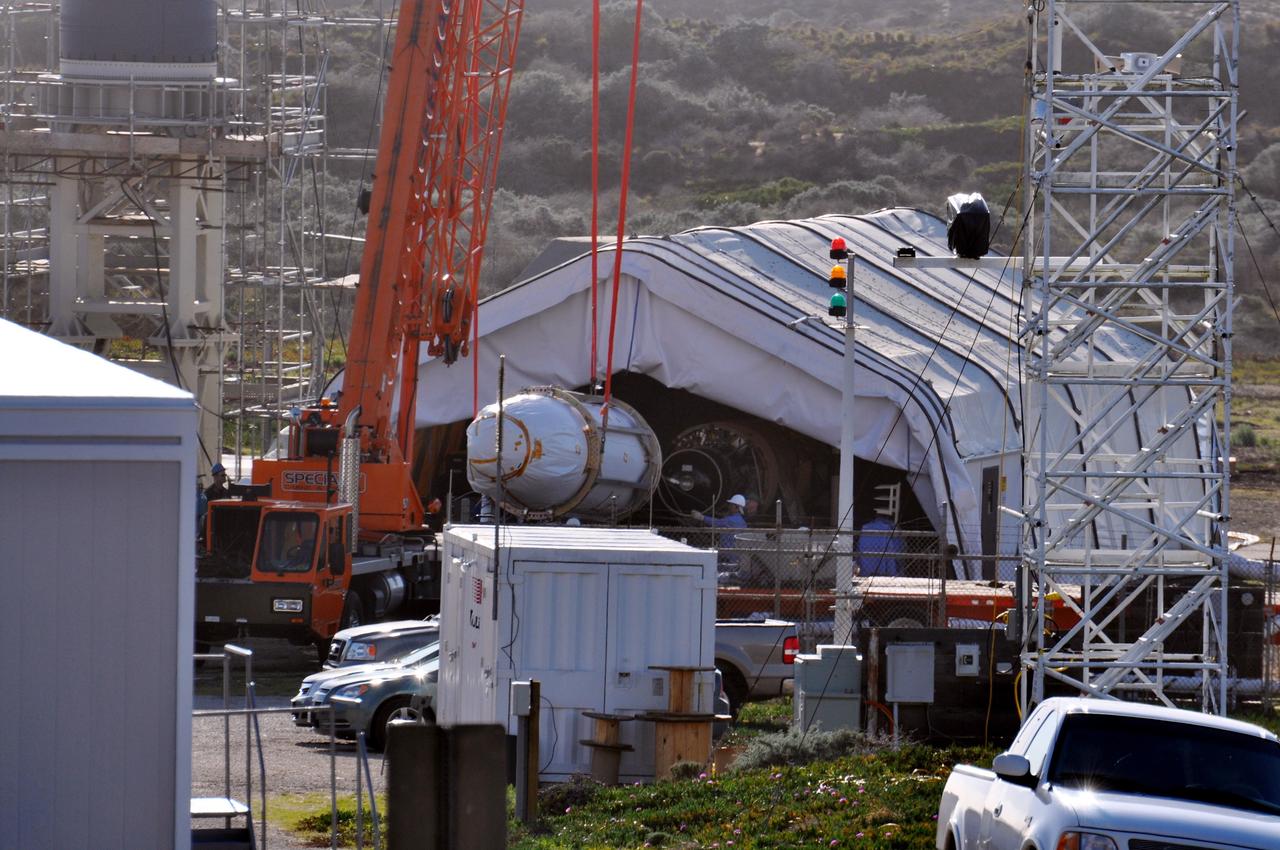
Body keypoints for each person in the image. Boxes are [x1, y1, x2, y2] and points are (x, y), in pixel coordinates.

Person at [692, 494, 749, 572]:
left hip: (727, 552)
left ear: (736, 507)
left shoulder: (730, 520)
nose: (729, 506)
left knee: (719, 569)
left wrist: (702, 517)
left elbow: (717, 522)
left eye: (731, 505)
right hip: (736, 553)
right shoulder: (742, 521)